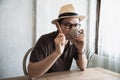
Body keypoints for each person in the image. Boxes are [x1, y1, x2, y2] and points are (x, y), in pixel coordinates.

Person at [28, 4, 87, 79]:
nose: (72, 29)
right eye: (67, 25)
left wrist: (81, 50)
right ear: (57, 25)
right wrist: (57, 53)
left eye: (76, 25)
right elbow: (31, 74)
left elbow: (83, 67)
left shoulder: (74, 41)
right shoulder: (45, 40)